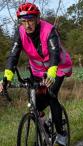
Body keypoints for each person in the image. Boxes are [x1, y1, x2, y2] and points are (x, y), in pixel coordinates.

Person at [0, 2, 72, 145]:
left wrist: (51, 74)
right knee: (34, 103)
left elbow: (54, 54)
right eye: (23, 21)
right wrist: (7, 78)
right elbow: (13, 56)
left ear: (38, 19)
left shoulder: (49, 30)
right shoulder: (20, 32)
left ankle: (61, 132)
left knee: (50, 95)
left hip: (57, 68)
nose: (27, 25)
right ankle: (43, 125)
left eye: (31, 20)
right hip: (37, 69)